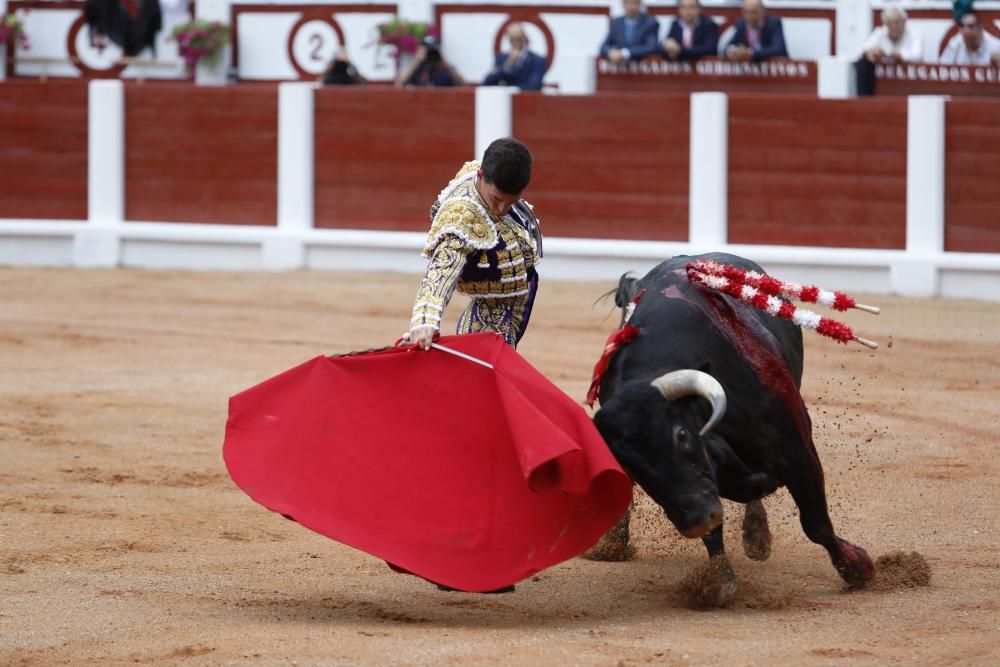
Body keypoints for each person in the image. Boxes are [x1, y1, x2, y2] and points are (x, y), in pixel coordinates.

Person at [404, 137, 540, 354]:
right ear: (480, 177)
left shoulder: (490, 168)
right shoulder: (461, 217)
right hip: (494, 304)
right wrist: (425, 320)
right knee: (481, 370)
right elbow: (442, 268)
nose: (502, 209)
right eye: (496, 199)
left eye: (511, 202)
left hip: (516, 292)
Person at [855, 5, 923, 96]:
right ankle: (863, 101)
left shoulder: (914, 34)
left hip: (909, 83)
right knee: (863, 62)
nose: (894, 26)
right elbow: (860, 51)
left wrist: (895, 55)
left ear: (904, 22)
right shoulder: (880, 33)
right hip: (882, 83)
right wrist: (871, 53)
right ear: (886, 24)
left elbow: (917, 55)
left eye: (897, 22)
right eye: (890, 23)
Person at [482, 22, 548, 91]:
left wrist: (513, 89)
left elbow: (534, 86)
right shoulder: (501, 59)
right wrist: (508, 64)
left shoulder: (537, 60)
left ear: (524, 38)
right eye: (512, 39)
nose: (516, 42)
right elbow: (487, 83)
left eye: (518, 38)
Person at [723, 0, 788, 62]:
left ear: (763, 11)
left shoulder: (773, 23)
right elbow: (728, 46)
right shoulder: (742, 23)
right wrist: (732, 52)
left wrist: (750, 53)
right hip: (750, 71)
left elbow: (778, 49)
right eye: (746, 12)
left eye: (754, 12)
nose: (750, 16)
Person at [599, 0, 661, 65]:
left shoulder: (650, 22)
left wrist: (625, 53)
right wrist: (611, 52)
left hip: (642, 68)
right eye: (628, 3)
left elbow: (651, 47)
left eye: (634, 3)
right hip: (620, 70)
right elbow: (604, 47)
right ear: (623, 4)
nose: (631, 7)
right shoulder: (616, 22)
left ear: (640, 4)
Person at [395, 36, 466, 87]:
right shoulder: (417, 69)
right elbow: (399, 85)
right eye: (426, 49)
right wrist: (415, 62)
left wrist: (443, 61)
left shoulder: (445, 69)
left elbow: (462, 85)